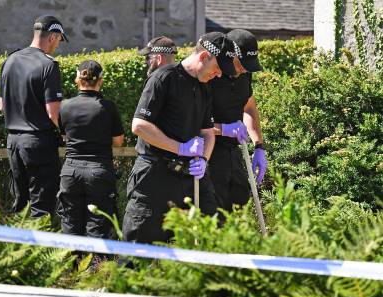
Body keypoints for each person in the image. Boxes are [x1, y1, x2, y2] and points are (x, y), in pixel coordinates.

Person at [122, 32, 236, 244]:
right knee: (138, 251)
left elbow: (207, 132)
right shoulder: (163, 78)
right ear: (203, 57)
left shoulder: (203, 86)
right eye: (218, 68)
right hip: (154, 176)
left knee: (211, 238)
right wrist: (180, 148)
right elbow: (140, 126)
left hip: (190, 176)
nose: (219, 75)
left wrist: (204, 159)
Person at [0, 15, 68, 218]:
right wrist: (66, 133)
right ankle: (39, 248)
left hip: (13, 142)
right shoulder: (49, 65)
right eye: (60, 40)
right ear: (53, 37)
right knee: (42, 207)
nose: (58, 45)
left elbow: (2, 106)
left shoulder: (9, 61)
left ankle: (21, 248)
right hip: (38, 142)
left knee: (20, 204)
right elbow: (53, 112)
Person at [57, 60, 124, 238]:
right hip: (99, 169)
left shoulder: (64, 106)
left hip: (70, 170)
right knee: (98, 225)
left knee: (70, 224)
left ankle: (73, 264)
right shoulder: (108, 107)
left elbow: (64, 136)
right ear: (100, 81)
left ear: (77, 80)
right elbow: (118, 141)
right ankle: (96, 265)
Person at [209, 29, 268, 213]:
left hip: (233, 150)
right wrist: (223, 129)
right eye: (241, 63)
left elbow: (248, 106)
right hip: (207, 153)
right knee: (214, 213)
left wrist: (259, 146)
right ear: (229, 54)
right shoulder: (209, 75)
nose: (244, 69)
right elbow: (191, 122)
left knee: (241, 202)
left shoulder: (244, 73)